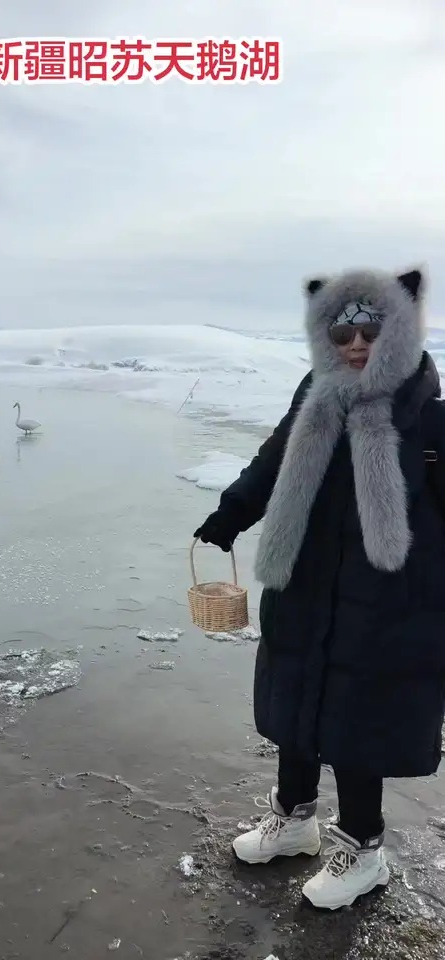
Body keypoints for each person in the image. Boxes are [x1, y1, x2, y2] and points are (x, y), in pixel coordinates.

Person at [194, 267, 445, 910]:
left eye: (371, 329)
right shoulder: (316, 392)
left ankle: (364, 849)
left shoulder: (426, 413)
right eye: (342, 331)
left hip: (386, 600)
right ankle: (294, 817)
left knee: (358, 722)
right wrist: (230, 514)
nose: (356, 344)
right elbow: (275, 461)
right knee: (295, 705)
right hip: (305, 581)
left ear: (399, 328)